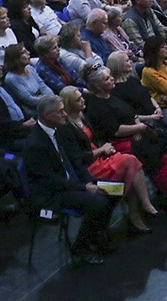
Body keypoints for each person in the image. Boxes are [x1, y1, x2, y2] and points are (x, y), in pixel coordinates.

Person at [22, 95, 116, 266]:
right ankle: (81, 248)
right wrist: (84, 188)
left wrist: (90, 182)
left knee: (115, 190)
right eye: (60, 112)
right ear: (48, 116)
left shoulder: (56, 131)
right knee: (99, 203)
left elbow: (73, 164)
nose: (65, 114)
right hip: (52, 194)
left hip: (70, 183)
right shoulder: (35, 145)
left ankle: (96, 235)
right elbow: (51, 180)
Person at [59, 86, 157, 233]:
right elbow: (77, 157)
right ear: (70, 103)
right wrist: (101, 150)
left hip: (99, 156)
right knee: (130, 163)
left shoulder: (82, 116)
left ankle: (137, 213)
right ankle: (141, 208)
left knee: (131, 166)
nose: (83, 100)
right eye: (78, 99)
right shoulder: (65, 127)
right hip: (87, 167)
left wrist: (105, 149)